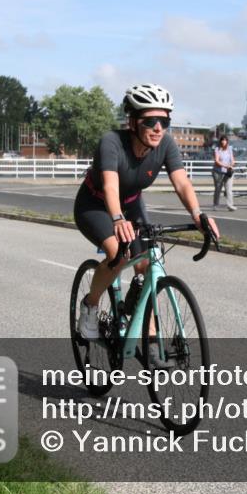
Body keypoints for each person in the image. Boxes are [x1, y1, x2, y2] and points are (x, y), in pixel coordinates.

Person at [74, 83, 219, 345]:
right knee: (118, 255)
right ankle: (90, 307)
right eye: (150, 120)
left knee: (148, 264)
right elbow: (110, 185)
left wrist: (198, 214)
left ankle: (150, 336)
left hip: (132, 202)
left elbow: (182, 183)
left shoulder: (165, 144)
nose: (158, 128)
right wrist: (117, 219)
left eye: (164, 121)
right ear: (132, 122)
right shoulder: (112, 142)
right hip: (95, 204)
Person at [213, 136, 237, 211]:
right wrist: (226, 165)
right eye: (222, 140)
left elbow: (232, 159)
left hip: (228, 172)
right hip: (218, 172)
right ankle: (216, 204)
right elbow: (217, 161)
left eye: (225, 140)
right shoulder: (217, 149)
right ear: (220, 141)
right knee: (218, 189)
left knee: (229, 189)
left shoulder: (229, 149)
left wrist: (232, 163)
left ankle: (230, 205)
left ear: (227, 141)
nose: (223, 142)